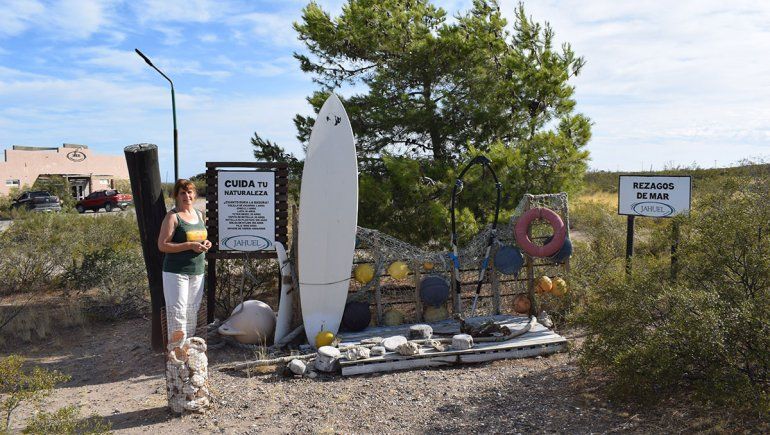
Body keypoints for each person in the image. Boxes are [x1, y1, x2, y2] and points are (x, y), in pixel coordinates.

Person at [157, 179, 212, 356]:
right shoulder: (173, 216)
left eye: (189, 192)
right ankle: (176, 352)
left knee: (192, 311)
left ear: (194, 194)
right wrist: (189, 246)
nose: (187, 196)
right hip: (176, 272)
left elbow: (199, 238)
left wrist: (205, 243)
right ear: (176, 195)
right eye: (182, 192)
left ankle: (187, 349)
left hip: (197, 271)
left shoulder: (199, 214)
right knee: (178, 312)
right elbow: (163, 245)